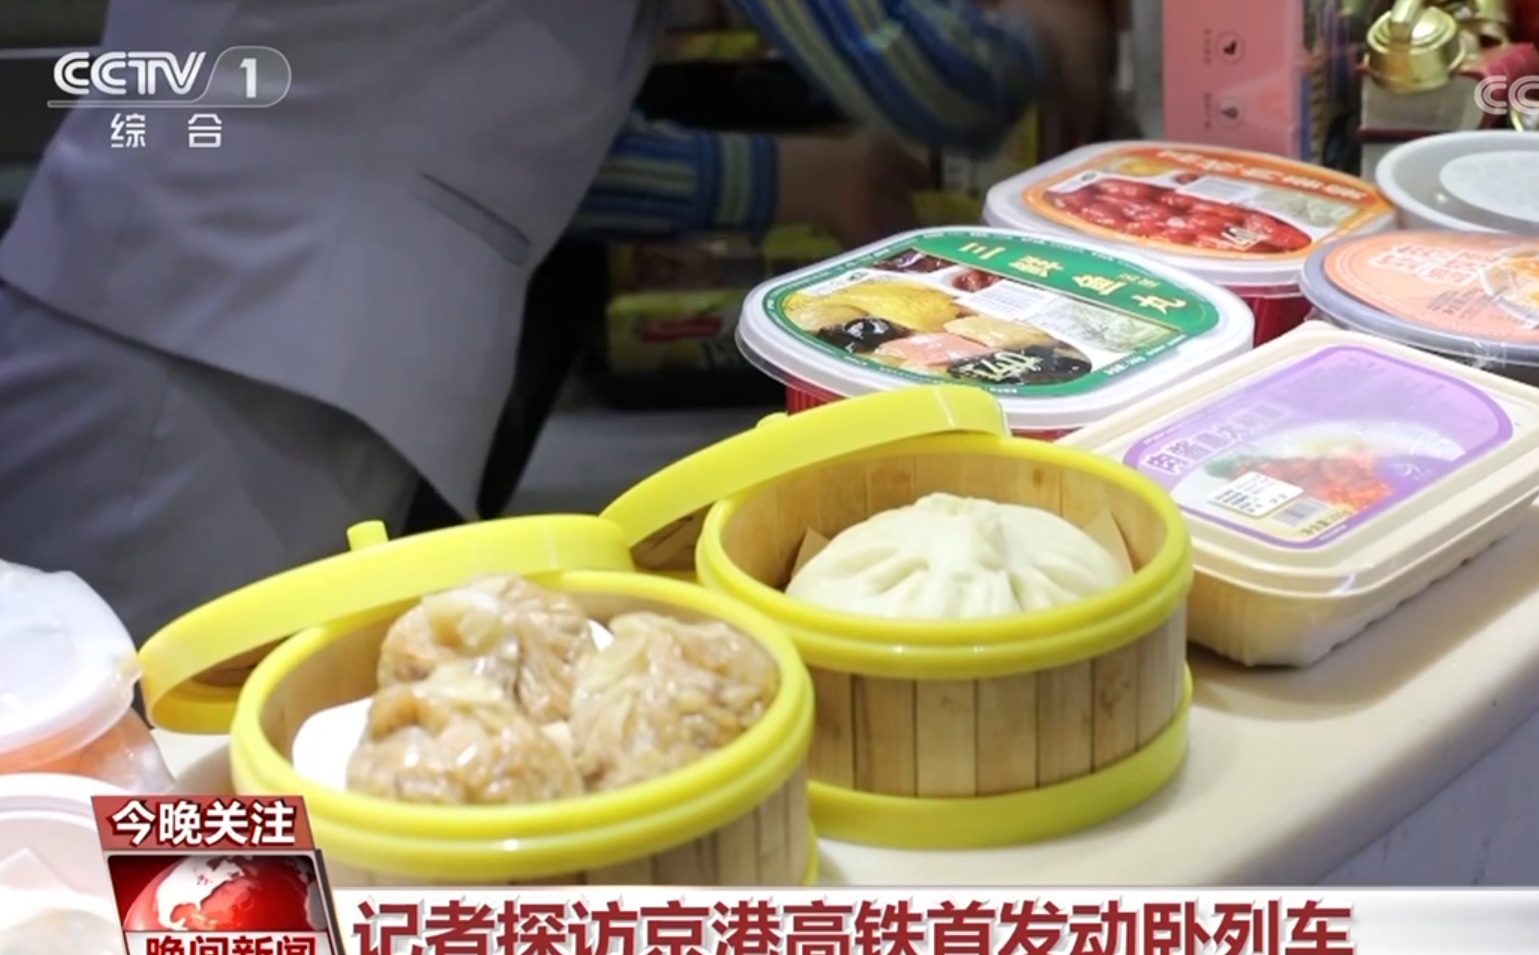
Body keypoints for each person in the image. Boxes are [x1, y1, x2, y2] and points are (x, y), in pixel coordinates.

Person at [0, 0, 1114, 641]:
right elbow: (929, 76)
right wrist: (1050, 29)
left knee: (201, 813)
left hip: (218, 320)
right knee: (137, 809)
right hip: (205, 360)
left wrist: (802, 178)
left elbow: (465, 147)